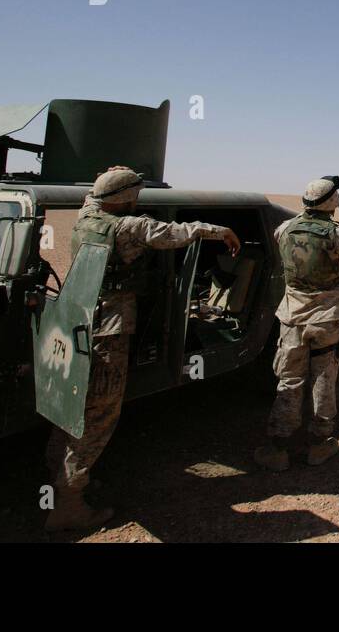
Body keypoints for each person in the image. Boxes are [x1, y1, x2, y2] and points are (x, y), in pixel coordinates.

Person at [45, 166, 240, 532]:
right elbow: (173, 233)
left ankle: (62, 477)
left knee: (70, 406)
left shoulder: (87, 216)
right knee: (100, 412)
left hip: (76, 317)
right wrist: (217, 230)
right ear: (127, 200)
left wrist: (115, 177)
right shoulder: (127, 228)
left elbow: (98, 194)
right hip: (108, 330)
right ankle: (68, 502)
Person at [255, 176, 339, 471]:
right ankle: (320, 444)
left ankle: (279, 448)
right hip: (327, 318)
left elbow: (295, 228)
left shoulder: (284, 228)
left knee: (289, 378)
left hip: (292, 318)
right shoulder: (337, 234)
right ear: (334, 203)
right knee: (324, 379)